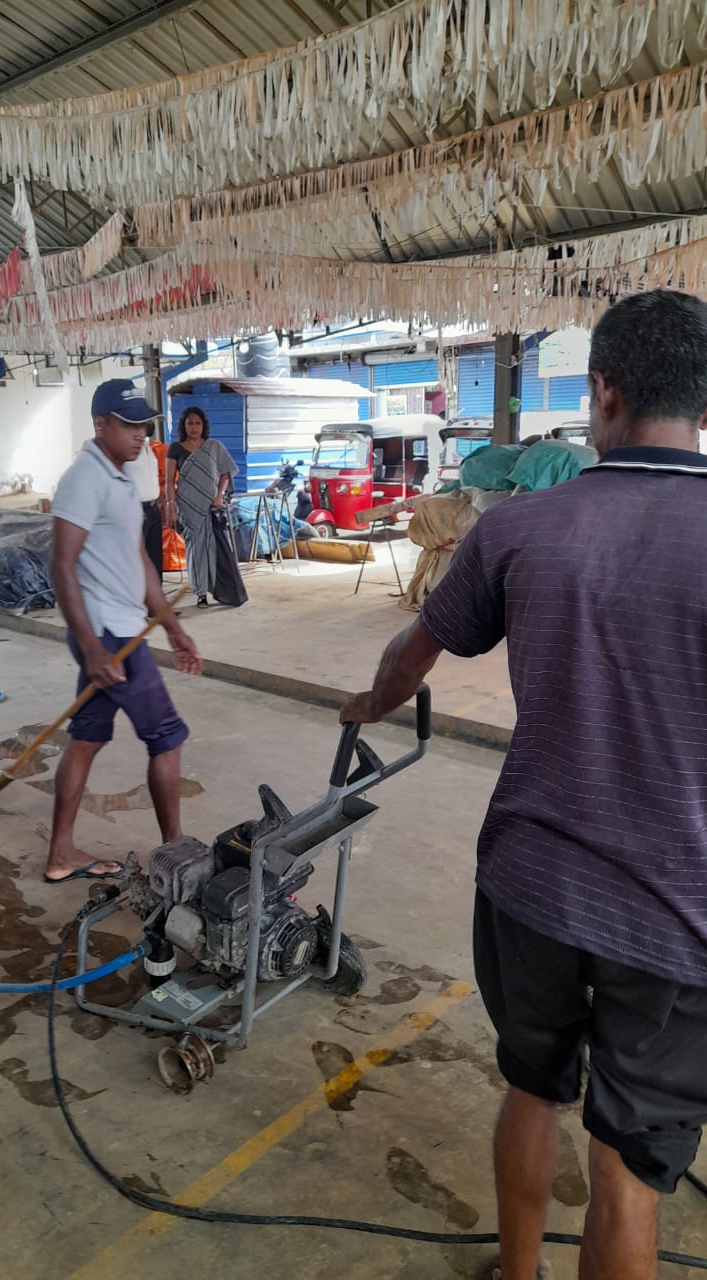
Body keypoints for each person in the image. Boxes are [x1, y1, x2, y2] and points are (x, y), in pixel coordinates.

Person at [340, 289, 707, 1280]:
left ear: (602, 393)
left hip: (533, 878)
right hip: (680, 907)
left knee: (531, 1088)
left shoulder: (519, 530)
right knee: (629, 1164)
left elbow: (408, 657)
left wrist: (369, 706)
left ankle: (516, 1270)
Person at [45, 378, 202, 884]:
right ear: (100, 424)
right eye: (129, 424)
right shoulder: (83, 480)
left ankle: (61, 854)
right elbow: (61, 566)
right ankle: (175, 857)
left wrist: (172, 627)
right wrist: (91, 647)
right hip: (110, 638)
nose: (140, 435)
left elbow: (139, 563)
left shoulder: (121, 479)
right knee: (168, 737)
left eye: (144, 425)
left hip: (121, 632)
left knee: (86, 739)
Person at [165, 405, 237, 607]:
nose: (194, 427)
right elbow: (170, 479)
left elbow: (225, 472)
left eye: (198, 423)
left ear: (203, 425)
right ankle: (201, 593)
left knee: (214, 548)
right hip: (188, 507)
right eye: (190, 423)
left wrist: (220, 495)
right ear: (184, 426)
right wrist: (170, 505)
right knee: (195, 549)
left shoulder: (214, 447)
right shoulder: (175, 448)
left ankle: (219, 590)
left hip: (212, 506)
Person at [126, 423, 164, 579]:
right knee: (136, 560)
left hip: (152, 508)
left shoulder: (148, 447)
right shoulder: (126, 449)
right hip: (134, 510)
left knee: (155, 558)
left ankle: (155, 599)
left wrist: (158, 496)